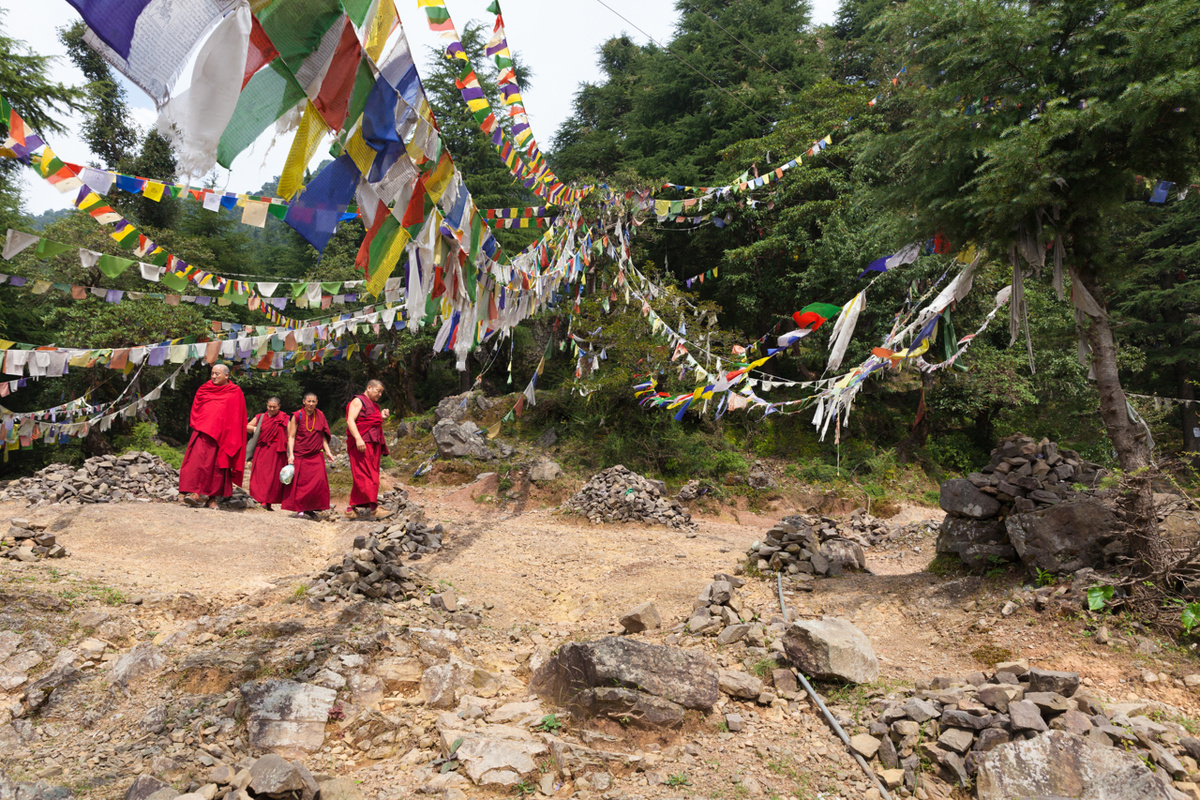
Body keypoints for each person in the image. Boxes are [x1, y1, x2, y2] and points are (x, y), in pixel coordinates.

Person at [179, 364, 247, 509]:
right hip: (203, 433)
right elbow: (197, 409)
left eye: (217, 374)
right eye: (212, 374)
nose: (214, 377)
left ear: (227, 376)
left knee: (217, 468)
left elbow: (238, 416)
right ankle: (196, 493)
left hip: (223, 436)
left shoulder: (235, 392)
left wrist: (231, 435)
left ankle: (212, 499)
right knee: (197, 463)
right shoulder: (204, 389)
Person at [282, 392, 333, 520]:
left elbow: (322, 436)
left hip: (316, 455)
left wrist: (328, 451)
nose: (311, 404)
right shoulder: (297, 416)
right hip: (300, 455)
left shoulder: (320, 415)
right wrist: (291, 454)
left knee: (318, 483)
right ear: (303, 401)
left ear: (317, 402)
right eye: (308, 401)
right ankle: (300, 509)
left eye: (313, 401)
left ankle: (311, 508)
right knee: (301, 484)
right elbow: (291, 436)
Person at [345, 379, 391, 519]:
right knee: (366, 475)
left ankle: (350, 510)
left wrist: (381, 416)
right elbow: (350, 420)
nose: (380, 395)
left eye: (381, 392)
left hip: (373, 444)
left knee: (369, 475)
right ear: (369, 388)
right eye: (378, 391)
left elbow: (371, 421)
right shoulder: (358, 401)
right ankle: (374, 509)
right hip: (362, 444)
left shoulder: (374, 405)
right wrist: (358, 438)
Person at [246, 396, 289, 511]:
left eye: (274, 407)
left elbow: (291, 434)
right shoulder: (261, 417)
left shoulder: (284, 418)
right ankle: (261, 500)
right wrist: (256, 430)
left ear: (279, 407)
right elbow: (247, 426)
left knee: (273, 477)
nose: (271, 409)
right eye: (269, 406)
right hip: (262, 450)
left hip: (277, 451)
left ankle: (268, 501)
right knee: (260, 476)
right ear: (266, 405)